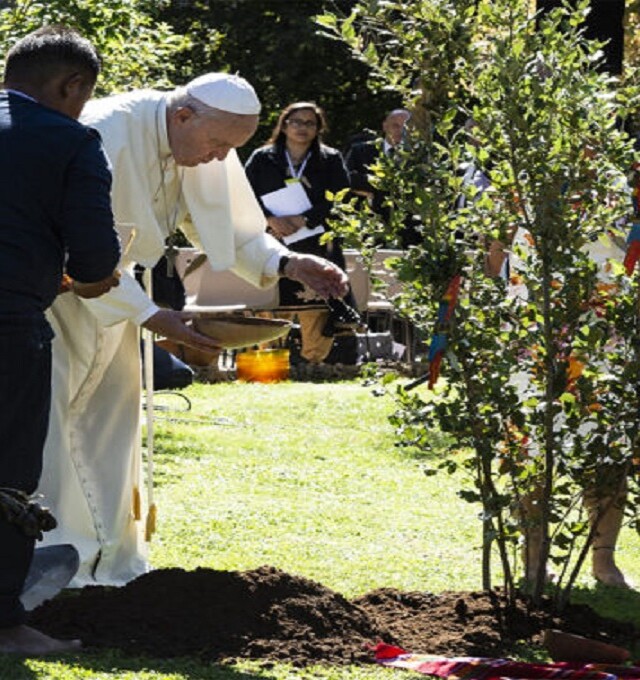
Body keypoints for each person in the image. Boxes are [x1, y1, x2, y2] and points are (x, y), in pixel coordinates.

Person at [37, 74, 348, 586]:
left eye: (230, 148)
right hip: (63, 295)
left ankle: (107, 560)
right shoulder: (101, 131)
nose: (219, 157)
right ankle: (54, 556)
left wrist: (290, 263)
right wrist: (150, 314)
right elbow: (75, 244)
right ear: (183, 116)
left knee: (111, 425)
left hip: (124, 296)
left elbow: (235, 228)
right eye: (218, 144)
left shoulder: (204, 136)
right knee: (52, 424)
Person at [0, 26, 121, 654]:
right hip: (8, 326)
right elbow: (96, 258)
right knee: (8, 472)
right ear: (72, 85)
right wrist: (90, 277)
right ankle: (3, 621)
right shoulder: (70, 141)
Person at [244, 101, 361, 363]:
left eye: (310, 123)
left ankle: (315, 363)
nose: (302, 128)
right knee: (272, 306)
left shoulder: (330, 159)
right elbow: (243, 194)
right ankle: (269, 363)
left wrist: (305, 218)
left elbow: (341, 198)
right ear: (284, 125)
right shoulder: (262, 158)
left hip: (317, 244)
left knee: (316, 305)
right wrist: (269, 219)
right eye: (296, 122)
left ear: (318, 128)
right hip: (273, 243)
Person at [345, 108, 421, 248]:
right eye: (395, 126)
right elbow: (347, 179)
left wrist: (374, 189)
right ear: (385, 126)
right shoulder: (361, 151)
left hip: (408, 232)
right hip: (369, 228)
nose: (400, 131)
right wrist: (380, 184)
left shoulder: (419, 156)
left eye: (406, 128)